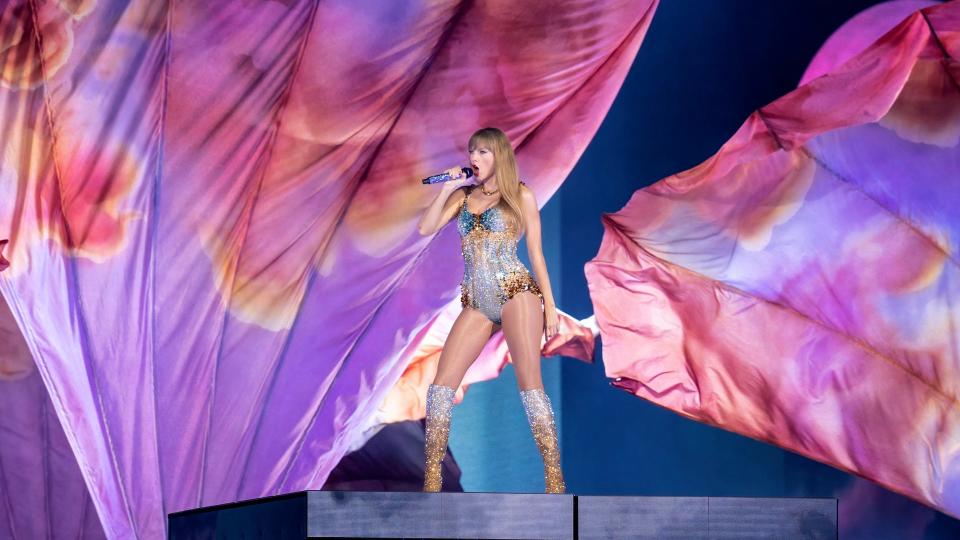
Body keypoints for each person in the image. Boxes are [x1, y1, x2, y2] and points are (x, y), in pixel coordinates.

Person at [416, 127, 564, 494]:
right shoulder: (463, 197)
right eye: (471, 152)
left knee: (529, 383)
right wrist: (446, 188)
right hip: (477, 301)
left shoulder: (521, 195)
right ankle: (432, 479)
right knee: (439, 388)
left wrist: (550, 304)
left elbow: (537, 253)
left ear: (499, 155)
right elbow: (425, 227)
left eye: (482, 152)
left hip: (516, 291)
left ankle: (553, 473)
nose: (474, 159)